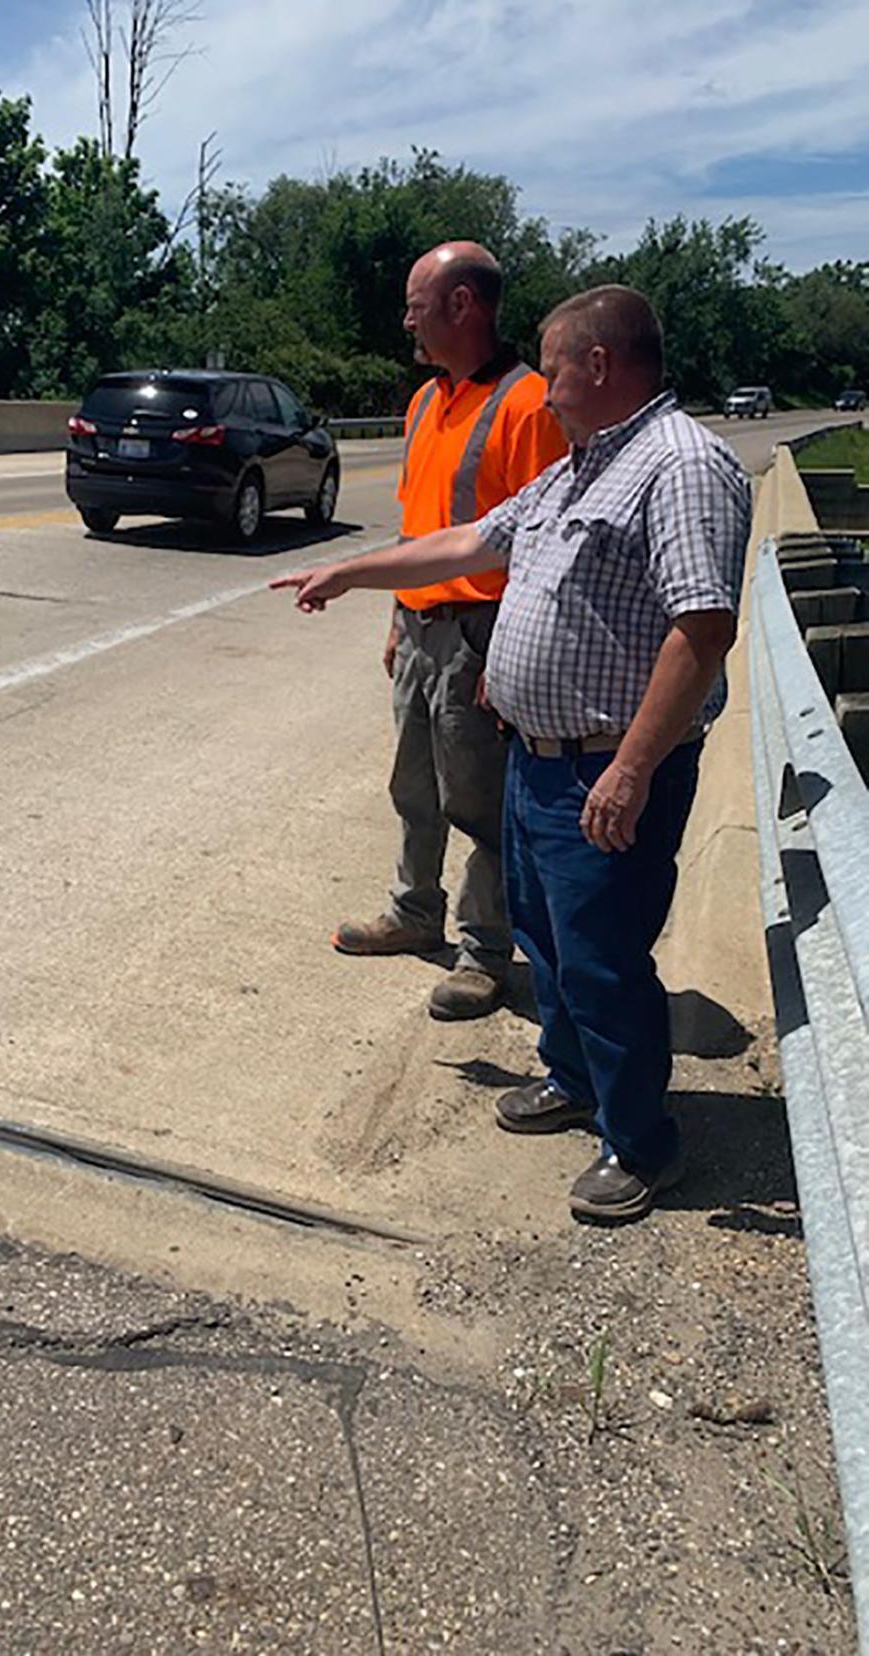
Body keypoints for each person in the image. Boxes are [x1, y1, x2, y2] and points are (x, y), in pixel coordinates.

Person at [273, 286, 751, 1223]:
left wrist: (631, 768)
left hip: (604, 766)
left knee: (604, 957)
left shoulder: (680, 465)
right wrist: (354, 572)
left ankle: (643, 1144)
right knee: (547, 941)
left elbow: (702, 629)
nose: (545, 381)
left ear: (599, 365)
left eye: (555, 361)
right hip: (536, 756)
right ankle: (574, 1080)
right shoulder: (581, 466)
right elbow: (472, 540)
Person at [334, 241, 567, 1021]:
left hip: (483, 634)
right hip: (423, 628)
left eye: (416, 304)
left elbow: (543, 542)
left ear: (463, 305)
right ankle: (413, 911)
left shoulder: (530, 405)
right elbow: (416, 527)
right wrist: (399, 615)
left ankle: (484, 952)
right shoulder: (426, 401)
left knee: (484, 804)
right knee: (414, 787)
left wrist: (513, 653)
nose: (407, 320)